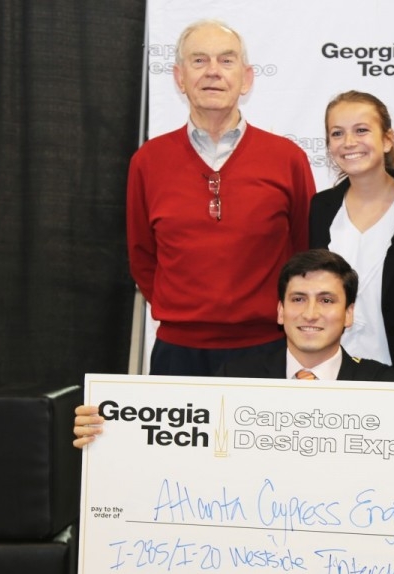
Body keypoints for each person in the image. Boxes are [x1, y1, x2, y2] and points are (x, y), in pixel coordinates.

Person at [127, 19, 316, 376]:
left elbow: (304, 251)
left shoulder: (287, 158)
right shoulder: (148, 161)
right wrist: (187, 315)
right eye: (199, 61)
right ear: (179, 77)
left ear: (246, 79)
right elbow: (142, 257)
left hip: (267, 347)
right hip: (177, 354)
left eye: (226, 61)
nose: (213, 72)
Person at [74, 249, 394, 449]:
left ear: (349, 313)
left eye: (326, 300)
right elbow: (175, 441)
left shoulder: (385, 387)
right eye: (298, 299)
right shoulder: (233, 379)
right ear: (280, 311)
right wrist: (106, 429)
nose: (311, 314)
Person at [309, 91, 394, 382]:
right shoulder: (321, 208)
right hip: (333, 374)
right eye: (337, 133)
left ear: (387, 140)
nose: (349, 142)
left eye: (361, 130)